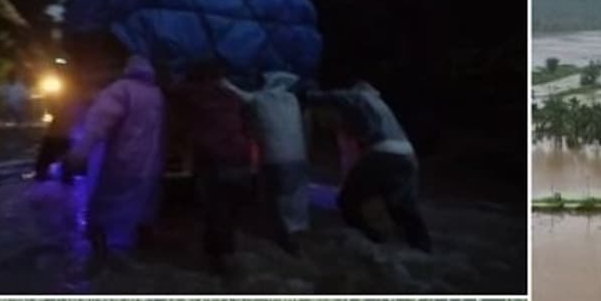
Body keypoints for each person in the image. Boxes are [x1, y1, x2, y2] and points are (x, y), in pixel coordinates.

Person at [61, 55, 165, 258]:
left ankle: (100, 257)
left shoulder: (120, 90)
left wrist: (78, 155)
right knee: (144, 206)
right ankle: (144, 251)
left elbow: (97, 127)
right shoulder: (156, 94)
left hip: (122, 162)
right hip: (150, 164)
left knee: (103, 207)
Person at [310, 81, 432, 253]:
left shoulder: (359, 97)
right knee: (402, 208)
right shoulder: (381, 107)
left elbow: (338, 98)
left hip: (384, 154)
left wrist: (308, 95)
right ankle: (423, 248)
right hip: (408, 156)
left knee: (347, 202)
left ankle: (374, 242)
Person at [172, 61, 254, 271]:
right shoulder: (232, 97)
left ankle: (220, 263)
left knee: (216, 211)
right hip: (241, 160)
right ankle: (222, 258)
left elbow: (173, 93)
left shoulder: (195, 95)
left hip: (216, 162)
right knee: (227, 212)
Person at [222, 71, 311, 255]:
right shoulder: (291, 100)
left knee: (275, 197)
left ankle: (285, 239)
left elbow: (239, 94)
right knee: (294, 196)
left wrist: (222, 81)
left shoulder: (263, 99)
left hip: (275, 156)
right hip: (299, 155)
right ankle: (298, 231)